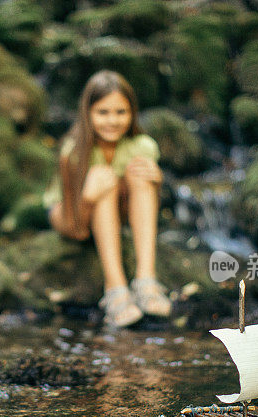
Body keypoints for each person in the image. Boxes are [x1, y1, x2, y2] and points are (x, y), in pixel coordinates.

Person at [48, 70, 171, 328]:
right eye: (103, 112)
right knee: (102, 177)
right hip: (71, 214)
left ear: (132, 112)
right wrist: (89, 198)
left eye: (121, 112)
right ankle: (115, 290)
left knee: (141, 172)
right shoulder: (73, 152)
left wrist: (157, 181)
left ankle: (146, 280)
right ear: (87, 113)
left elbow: (148, 200)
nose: (112, 121)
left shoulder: (142, 145)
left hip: (118, 210)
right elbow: (77, 230)